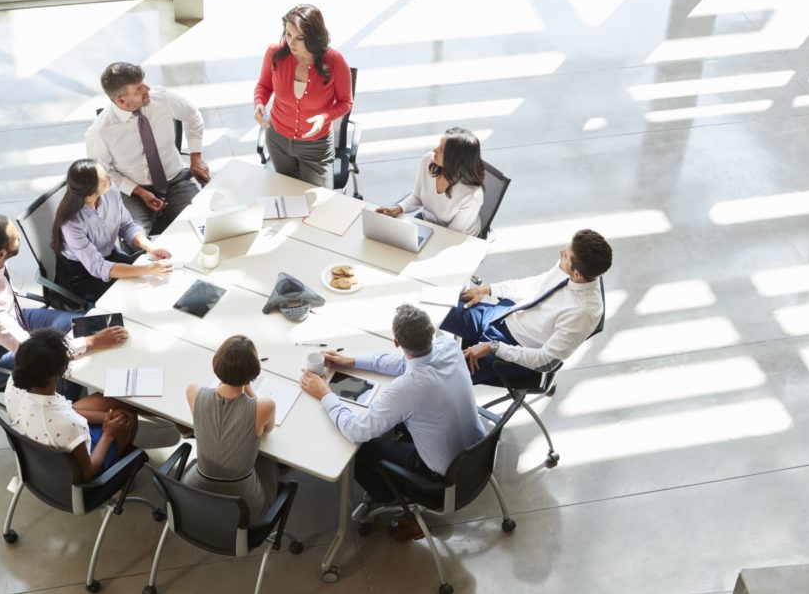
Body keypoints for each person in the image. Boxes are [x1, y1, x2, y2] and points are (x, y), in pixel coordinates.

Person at [299, 304, 484, 513]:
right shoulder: (449, 347)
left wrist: (325, 394)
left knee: (361, 450)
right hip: (477, 457)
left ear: (396, 342)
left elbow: (355, 431)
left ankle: (390, 497)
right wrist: (352, 361)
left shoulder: (407, 389)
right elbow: (404, 363)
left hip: (442, 481)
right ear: (432, 331)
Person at [0, 214, 128, 391]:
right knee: (65, 369)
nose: (19, 235)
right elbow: (33, 353)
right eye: (16, 237)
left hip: (14, 316)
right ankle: (69, 412)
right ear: (1, 254)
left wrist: (90, 339)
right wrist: (93, 342)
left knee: (85, 323)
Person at [440, 229, 612, 384]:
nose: (561, 253)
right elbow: (536, 284)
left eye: (566, 255)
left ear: (577, 274)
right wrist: (488, 289)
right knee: (433, 306)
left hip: (511, 351)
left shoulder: (583, 313)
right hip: (502, 316)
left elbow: (545, 361)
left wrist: (492, 347)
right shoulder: (569, 267)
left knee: (438, 377)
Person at [86, 61, 210, 238]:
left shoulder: (163, 98)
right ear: (121, 100)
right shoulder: (99, 132)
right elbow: (103, 173)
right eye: (138, 88)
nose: (147, 88)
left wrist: (196, 157)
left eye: (143, 82)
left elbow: (193, 116)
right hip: (133, 191)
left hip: (175, 180)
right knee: (136, 239)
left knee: (203, 226)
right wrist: (140, 191)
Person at [4, 329, 137, 480]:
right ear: (62, 370)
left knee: (117, 403)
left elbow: (65, 412)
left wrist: (105, 417)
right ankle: (121, 478)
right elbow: (88, 471)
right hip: (80, 470)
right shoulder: (68, 423)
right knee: (128, 414)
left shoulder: (14, 382)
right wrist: (108, 433)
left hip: (43, 444)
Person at [253, 4, 353, 188]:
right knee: (288, 196)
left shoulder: (335, 62)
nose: (291, 43)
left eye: (299, 38)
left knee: (319, 206)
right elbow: (264, 86)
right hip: (277, 140)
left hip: (316, 147)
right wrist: (259, 104)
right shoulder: (274, 53)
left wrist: (325, 117)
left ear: (315, 37)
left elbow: (346, 102)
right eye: (288, 34)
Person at [51, 158, 174, 302]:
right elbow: (98, 267)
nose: (110, 178)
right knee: (135, 292)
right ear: (90, 192)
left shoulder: (111, 191)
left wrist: (151, 248)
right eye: (104, 180)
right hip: (83, 273)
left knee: (154, 281)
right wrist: (148, 269)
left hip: (109, 255)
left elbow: (126, 225)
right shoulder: (71, 223)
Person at [183, 335, 278, 518]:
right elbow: (267, 430)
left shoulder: (194, 392)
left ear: (217, 363)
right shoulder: (265, 407)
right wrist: (246, 385)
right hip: (245, 507)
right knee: (270, 461)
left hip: (195, 494)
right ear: (254, 370)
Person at [376, 128, 486, 236]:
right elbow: (417, 196)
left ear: (455, 160)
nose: (434, 150)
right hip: (430, 225)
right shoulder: (429, 160)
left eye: (441, 149)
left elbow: (451, 235)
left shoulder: (472, 195)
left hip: (457, 238)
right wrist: (398, 208)